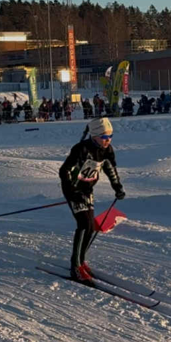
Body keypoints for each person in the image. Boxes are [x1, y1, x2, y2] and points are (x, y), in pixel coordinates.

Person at [59, 118, 125, 282]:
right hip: (73, 190)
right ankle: (75, 267)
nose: (108, 140)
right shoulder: (81, 149)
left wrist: (117, 187)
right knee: (83, 225)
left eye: (110, 136)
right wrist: (73, 192)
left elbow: (110, 169)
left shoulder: (107, 150)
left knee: (90, 227)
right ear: (94, 136)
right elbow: (64, 171)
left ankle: (81, 261)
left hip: (87, 190)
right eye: (104, 137)